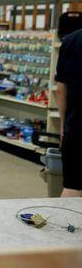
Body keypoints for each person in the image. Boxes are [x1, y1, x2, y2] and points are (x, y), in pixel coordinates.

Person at [55, 28, 82, 197]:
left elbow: (60, 90)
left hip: (77, 127)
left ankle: (67, 223)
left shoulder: (71, 41)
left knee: (73, 185)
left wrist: (64, 126)